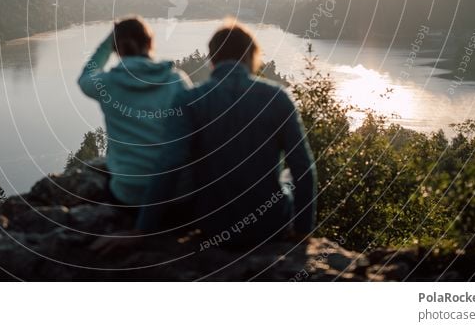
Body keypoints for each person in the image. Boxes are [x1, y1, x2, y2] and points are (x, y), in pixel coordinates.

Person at [92, 19, 317, 254]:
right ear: (251, 56)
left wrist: (143, 229)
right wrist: (302, 231)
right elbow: (303, 167)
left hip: (213, 226)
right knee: (287, 175)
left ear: (212, 60)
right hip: (271, 226)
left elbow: (171, 163)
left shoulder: (191, 101)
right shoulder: (277, 98)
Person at [78, 16, 192, 210]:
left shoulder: (107, 84)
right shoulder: (176, 80)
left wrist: (108, 42)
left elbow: (85, 77)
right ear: (150, 43)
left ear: (117, 48)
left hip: (130, 194)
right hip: (176, 194)